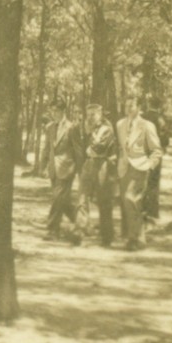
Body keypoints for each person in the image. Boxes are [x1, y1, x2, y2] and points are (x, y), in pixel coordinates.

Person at [115, 96, 165, 250]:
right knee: (129, 203)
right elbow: (121, 147)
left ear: (139, 107)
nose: (128, 108)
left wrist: (149, 165)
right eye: (126, 105)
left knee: (131, 199)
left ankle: (133, 239)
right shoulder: (120, 124)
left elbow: (157, 150)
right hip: (124, 169)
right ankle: (140, 238)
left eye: (132, 105)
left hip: (140, 167)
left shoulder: (147, 125)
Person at [42, 101, 84, 241]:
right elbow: (47, 148)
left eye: (57, 111)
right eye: (52, 111)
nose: (54, 114)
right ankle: (81, 223)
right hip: (53, 168)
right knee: (63, 201)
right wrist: (43, 165)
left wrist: (79, 170)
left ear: (63, 111)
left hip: (67, 168)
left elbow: (78, 150)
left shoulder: (72, 127)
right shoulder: (49, 127)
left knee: (57, 198)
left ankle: (52, 230)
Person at [78, 103, 118, 246]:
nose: (90, 118)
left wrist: (90, 140)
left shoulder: (106, 129)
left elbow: (99, 149)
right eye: (88, 115)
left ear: (100, 115)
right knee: (82, 198)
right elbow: (82, 148)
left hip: (102, 165)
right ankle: (80, 233)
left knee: (103, 201)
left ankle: (107, 237)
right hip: (88, 164)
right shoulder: (86, 129)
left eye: (93, 115)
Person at [141, 98, 170, 224]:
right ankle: (152, 211)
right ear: (159, 106)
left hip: (141, 153)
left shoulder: (142, 116)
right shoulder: (160, 119)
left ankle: (141, 209)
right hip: (154, 153)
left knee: (141, 180)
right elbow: (164, 137)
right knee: (153, 180)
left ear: (149, 104)